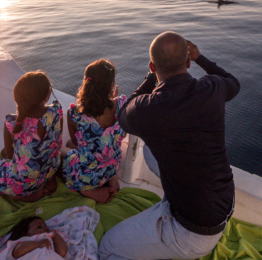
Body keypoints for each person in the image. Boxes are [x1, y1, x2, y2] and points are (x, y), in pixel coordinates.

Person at [99, 32, 240, 260]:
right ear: (187, 62)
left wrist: (150, 77)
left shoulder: (147, 108)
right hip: (224, 204)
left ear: (152, 67)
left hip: (193, 232)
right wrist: (200, 58)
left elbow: (124, 112)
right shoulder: (212, 87)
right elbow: (234, 83)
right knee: (148, 151)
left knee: (106, 248)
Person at [0, 71, 63, 202]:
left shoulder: (11, 123)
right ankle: (46, 181)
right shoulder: (56, 112)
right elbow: (57, 144)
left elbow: (10, 157)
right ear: (47, 96)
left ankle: (22, 195)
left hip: (25, 183)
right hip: (50, 170)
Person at [61, 59, 126, 203]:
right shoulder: (122, 105)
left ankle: (87, 190)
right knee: (99, 148)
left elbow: (76, 142)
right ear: (111, 85)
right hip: (111, 166)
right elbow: (124, 133)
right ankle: (111, 177)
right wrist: (113, 99)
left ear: (86, 83)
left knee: (62, 149)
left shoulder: (74, 112)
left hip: (89, 177)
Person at [0, 217, 67, 259]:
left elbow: (62, 251)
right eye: (39, 227)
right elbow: (18, 251)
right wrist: (38, 243)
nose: (46, 228)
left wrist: (55, 235)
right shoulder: (24, 240)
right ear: (25, 233)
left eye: (46, 226)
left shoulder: (48, 241)